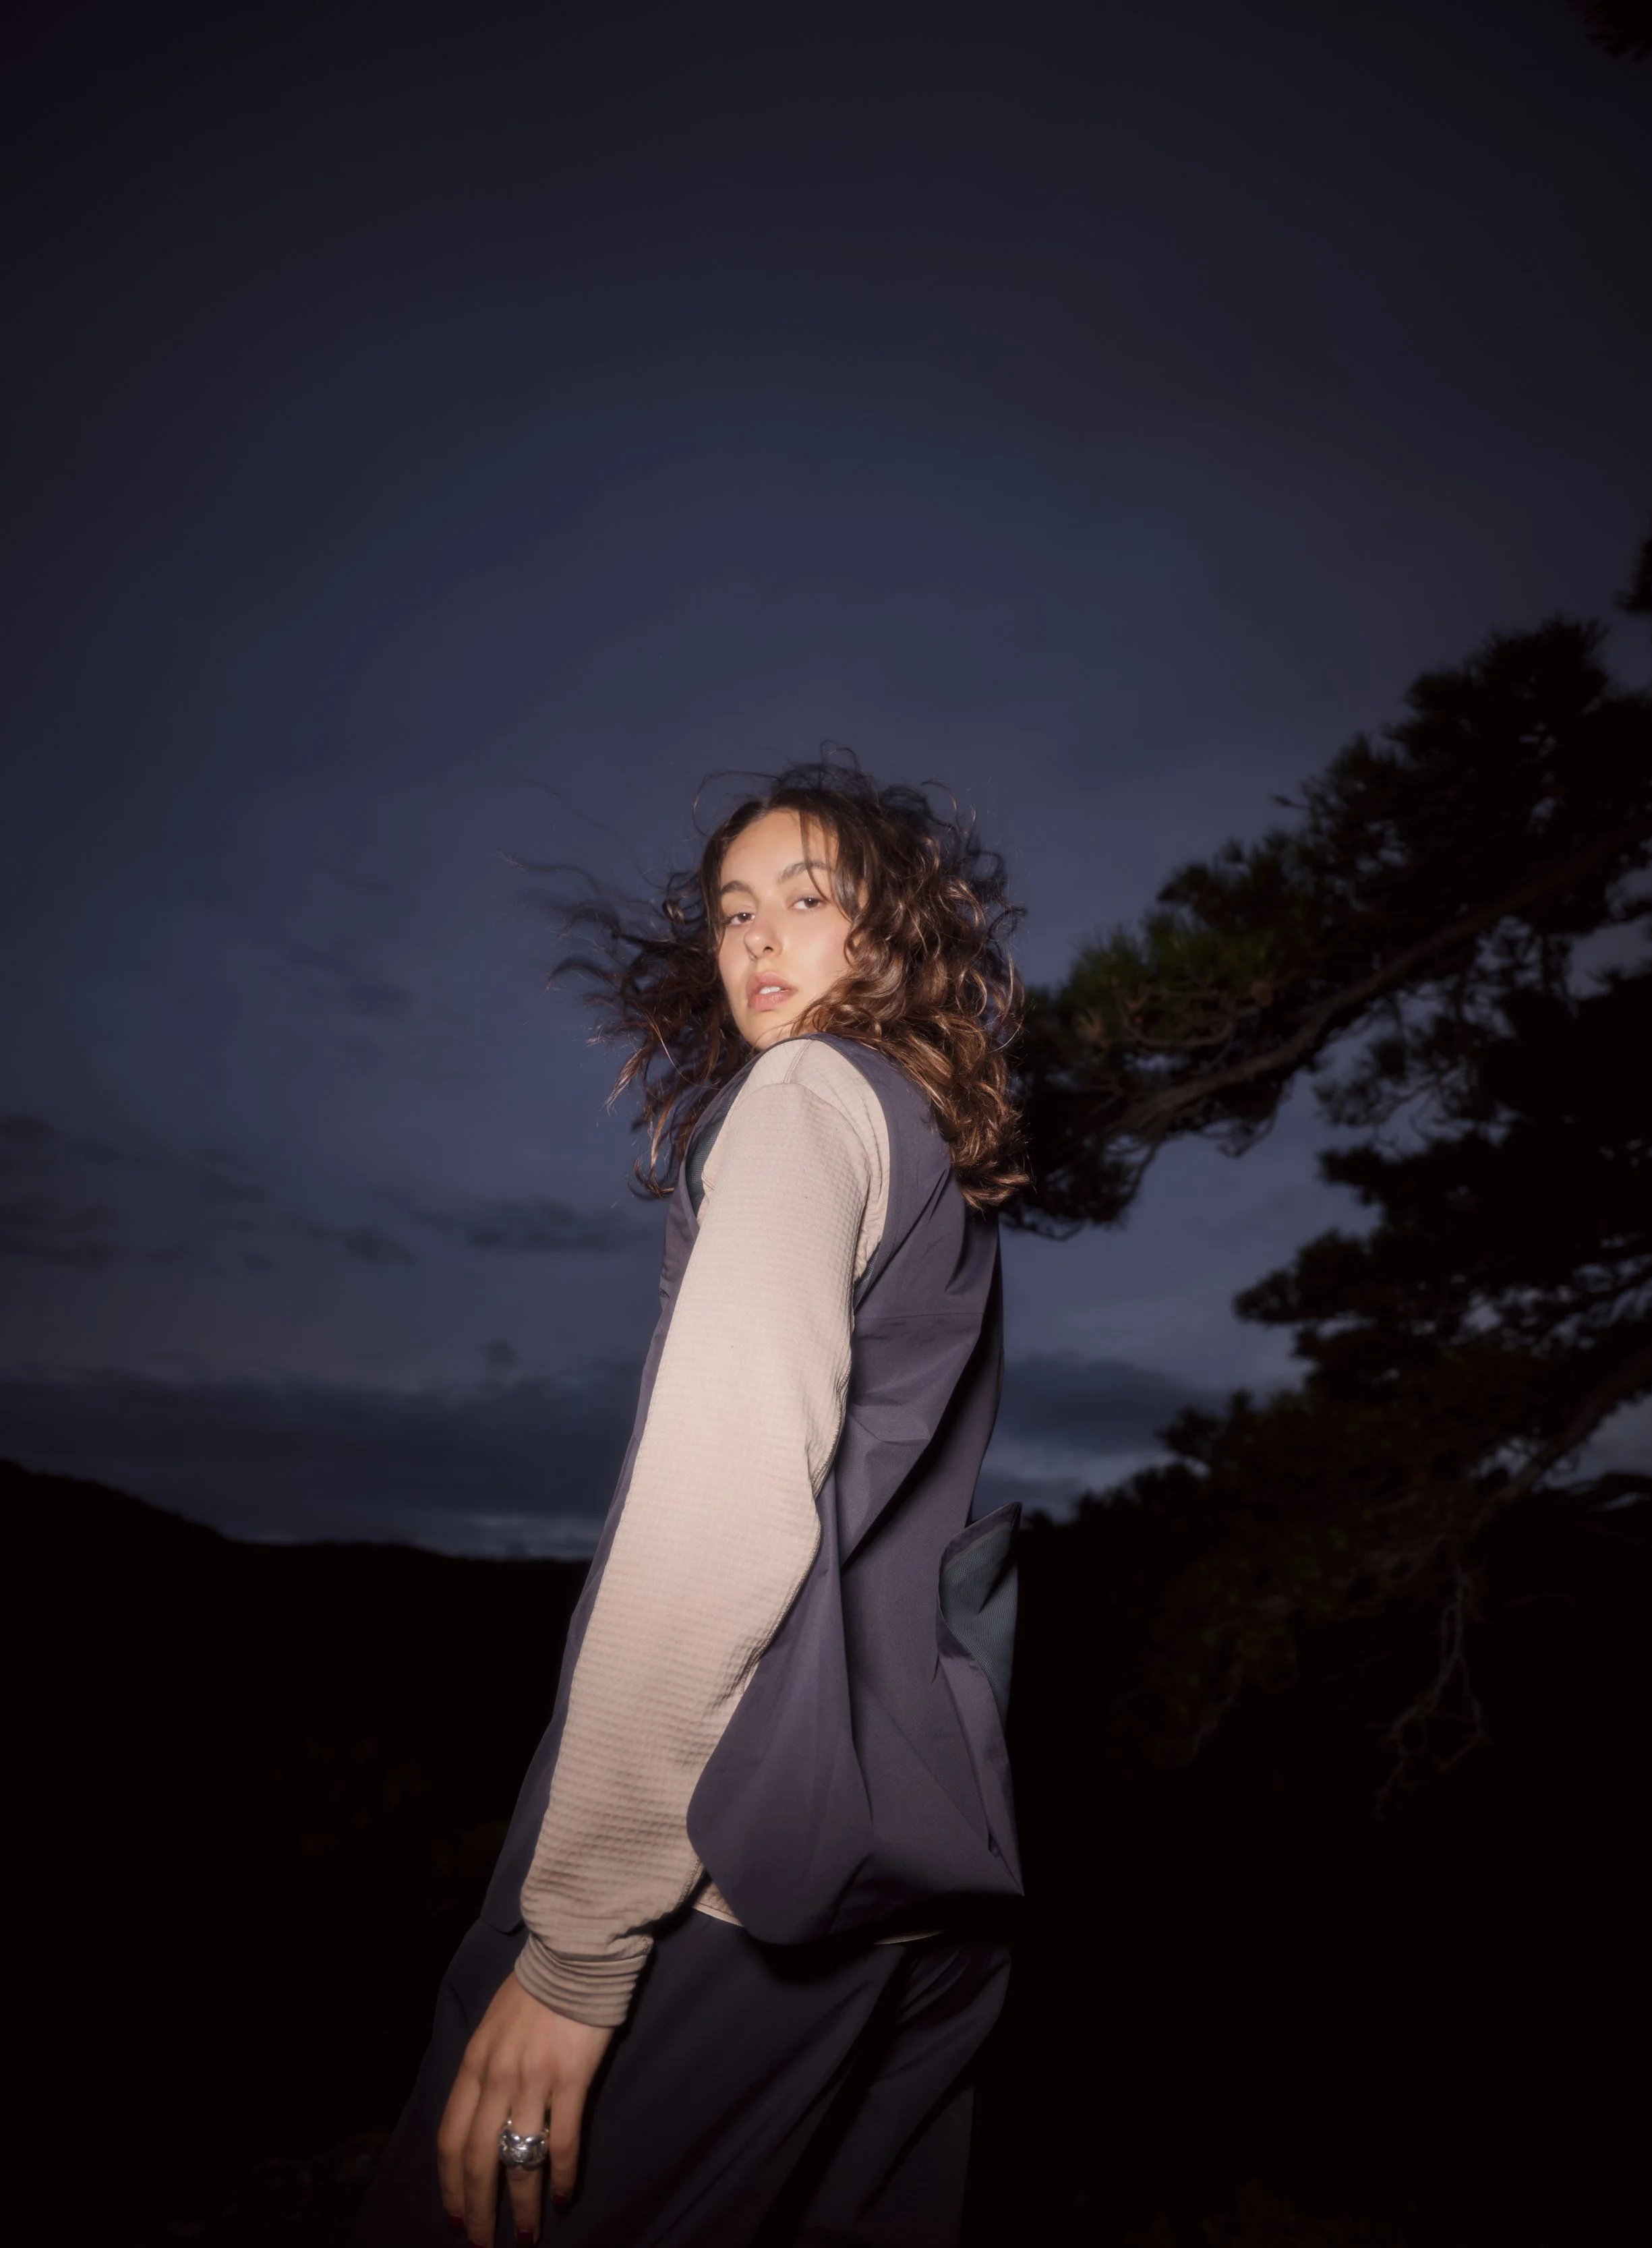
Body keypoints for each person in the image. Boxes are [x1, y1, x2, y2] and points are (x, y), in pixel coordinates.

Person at [351, 757, 1028, 2248]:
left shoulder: (808, 1094)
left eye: (808, 896)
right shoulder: (937, 1160)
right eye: (732, 910)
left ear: (896, 932)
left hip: (737, 1872)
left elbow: (724, 1506)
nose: (758, 936)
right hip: (920, 1883)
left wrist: (580, 1947)